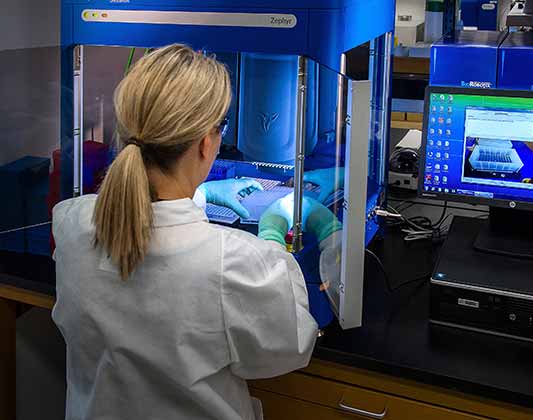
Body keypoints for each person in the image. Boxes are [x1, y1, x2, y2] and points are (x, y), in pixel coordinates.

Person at [51, 44, 340, 420]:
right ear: (207, 142)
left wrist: (200, 193)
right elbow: (290, 347)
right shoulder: (235, 263)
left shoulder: (72, 223)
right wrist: (273, 233)